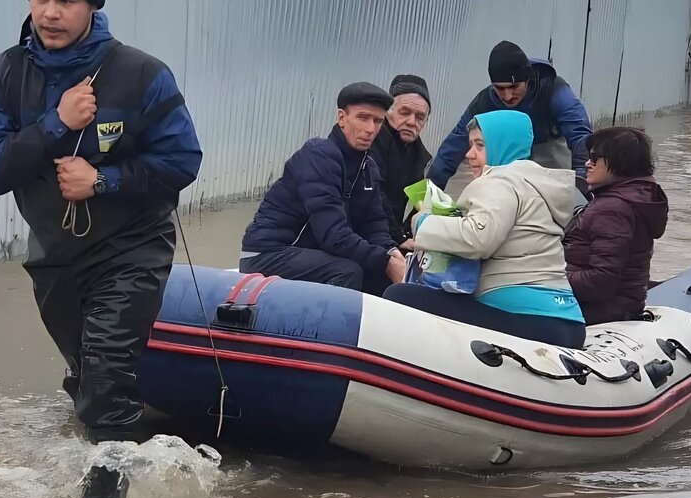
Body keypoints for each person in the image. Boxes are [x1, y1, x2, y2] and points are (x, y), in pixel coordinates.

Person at [0, 0, 202, 498]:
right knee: (85, 376)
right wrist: (55, 123)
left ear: (94, 6)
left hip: (132, 247)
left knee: (107, 378)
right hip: (55, 256)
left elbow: (182, 161)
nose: (51, 12)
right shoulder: (3, 76)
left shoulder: (141, 74)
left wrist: (103, 181)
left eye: (68, 0)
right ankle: (121, 470)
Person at [384, 110, 586, 350]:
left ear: (502, 145)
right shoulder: (535, 184)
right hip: (568, 322)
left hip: (524, 317)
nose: (469, 154)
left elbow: (477, 238)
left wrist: (423, 223)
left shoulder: (499, 181)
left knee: (399, 295)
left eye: (480, 145)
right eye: (470, 145)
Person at [238, 83, 406, 296]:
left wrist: (391, 252)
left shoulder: (368, 168)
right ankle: (328, 329)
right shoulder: (319, 156)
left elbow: (374, 225)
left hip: (311, 253)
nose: (371, 129)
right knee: (348, 271)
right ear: (342, 118)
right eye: (363, 118)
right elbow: (333, 235)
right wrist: (384, 261)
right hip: (268, 253)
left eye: (378, 121)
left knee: (380, 271)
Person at [428, 40, 593, 192]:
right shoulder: (485, 101)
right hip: (508, 155)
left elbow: (580, 136)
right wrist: (428, 194)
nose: (507, 96)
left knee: (555, 192)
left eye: (514, 86)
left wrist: (581, 182)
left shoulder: (554, 90)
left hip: (548, 148)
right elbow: (452, 147)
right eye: (500, 88)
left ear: (527, 80)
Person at [563, 128, 668, 325]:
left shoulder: (612, 209)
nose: (587, 163)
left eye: (595, 158)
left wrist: (545, 280)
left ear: (620, 162)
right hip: (624, 303)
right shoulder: (637, 197)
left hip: (603, 309)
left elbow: (601, 280)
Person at [370, 74, 434, 248]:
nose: (412, 122)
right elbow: (375, 194)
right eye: (404, 112)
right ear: (388, 111)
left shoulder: (420, 156)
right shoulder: (372, 140)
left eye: (420, 117)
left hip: (389, 236)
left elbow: (422, 202)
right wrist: (399, 238)